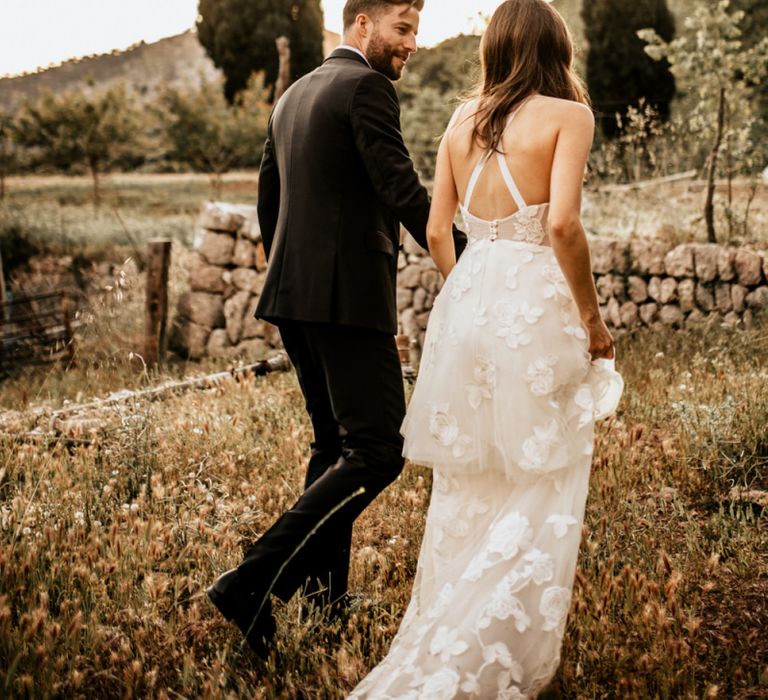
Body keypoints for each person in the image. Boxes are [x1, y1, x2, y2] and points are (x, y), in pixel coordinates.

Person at [348, 0, 623, 697]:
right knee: (541, 469)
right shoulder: (569, 116)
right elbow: (562, 224)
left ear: (494, 49)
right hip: (534, 300)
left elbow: (439, 232)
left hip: (467, 300)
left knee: (469, 478)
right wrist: (592, 322)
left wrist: (469, 285)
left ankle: (449, 620)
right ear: (556, 49)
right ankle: (492, 642)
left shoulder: (459, 121)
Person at [206, 0, 467, 657]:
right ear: (362, 24)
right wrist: (475, 263)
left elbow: (270, 196)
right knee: (378, 449)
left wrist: (290, 274)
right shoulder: (366, 88)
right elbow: (402, 190)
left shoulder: (293, 95)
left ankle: (324, 603)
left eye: (415, 32)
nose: (411, 45)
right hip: (346, 297)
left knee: (334, 445)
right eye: (402, 29)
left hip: (294, 295)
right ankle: (252, 583)